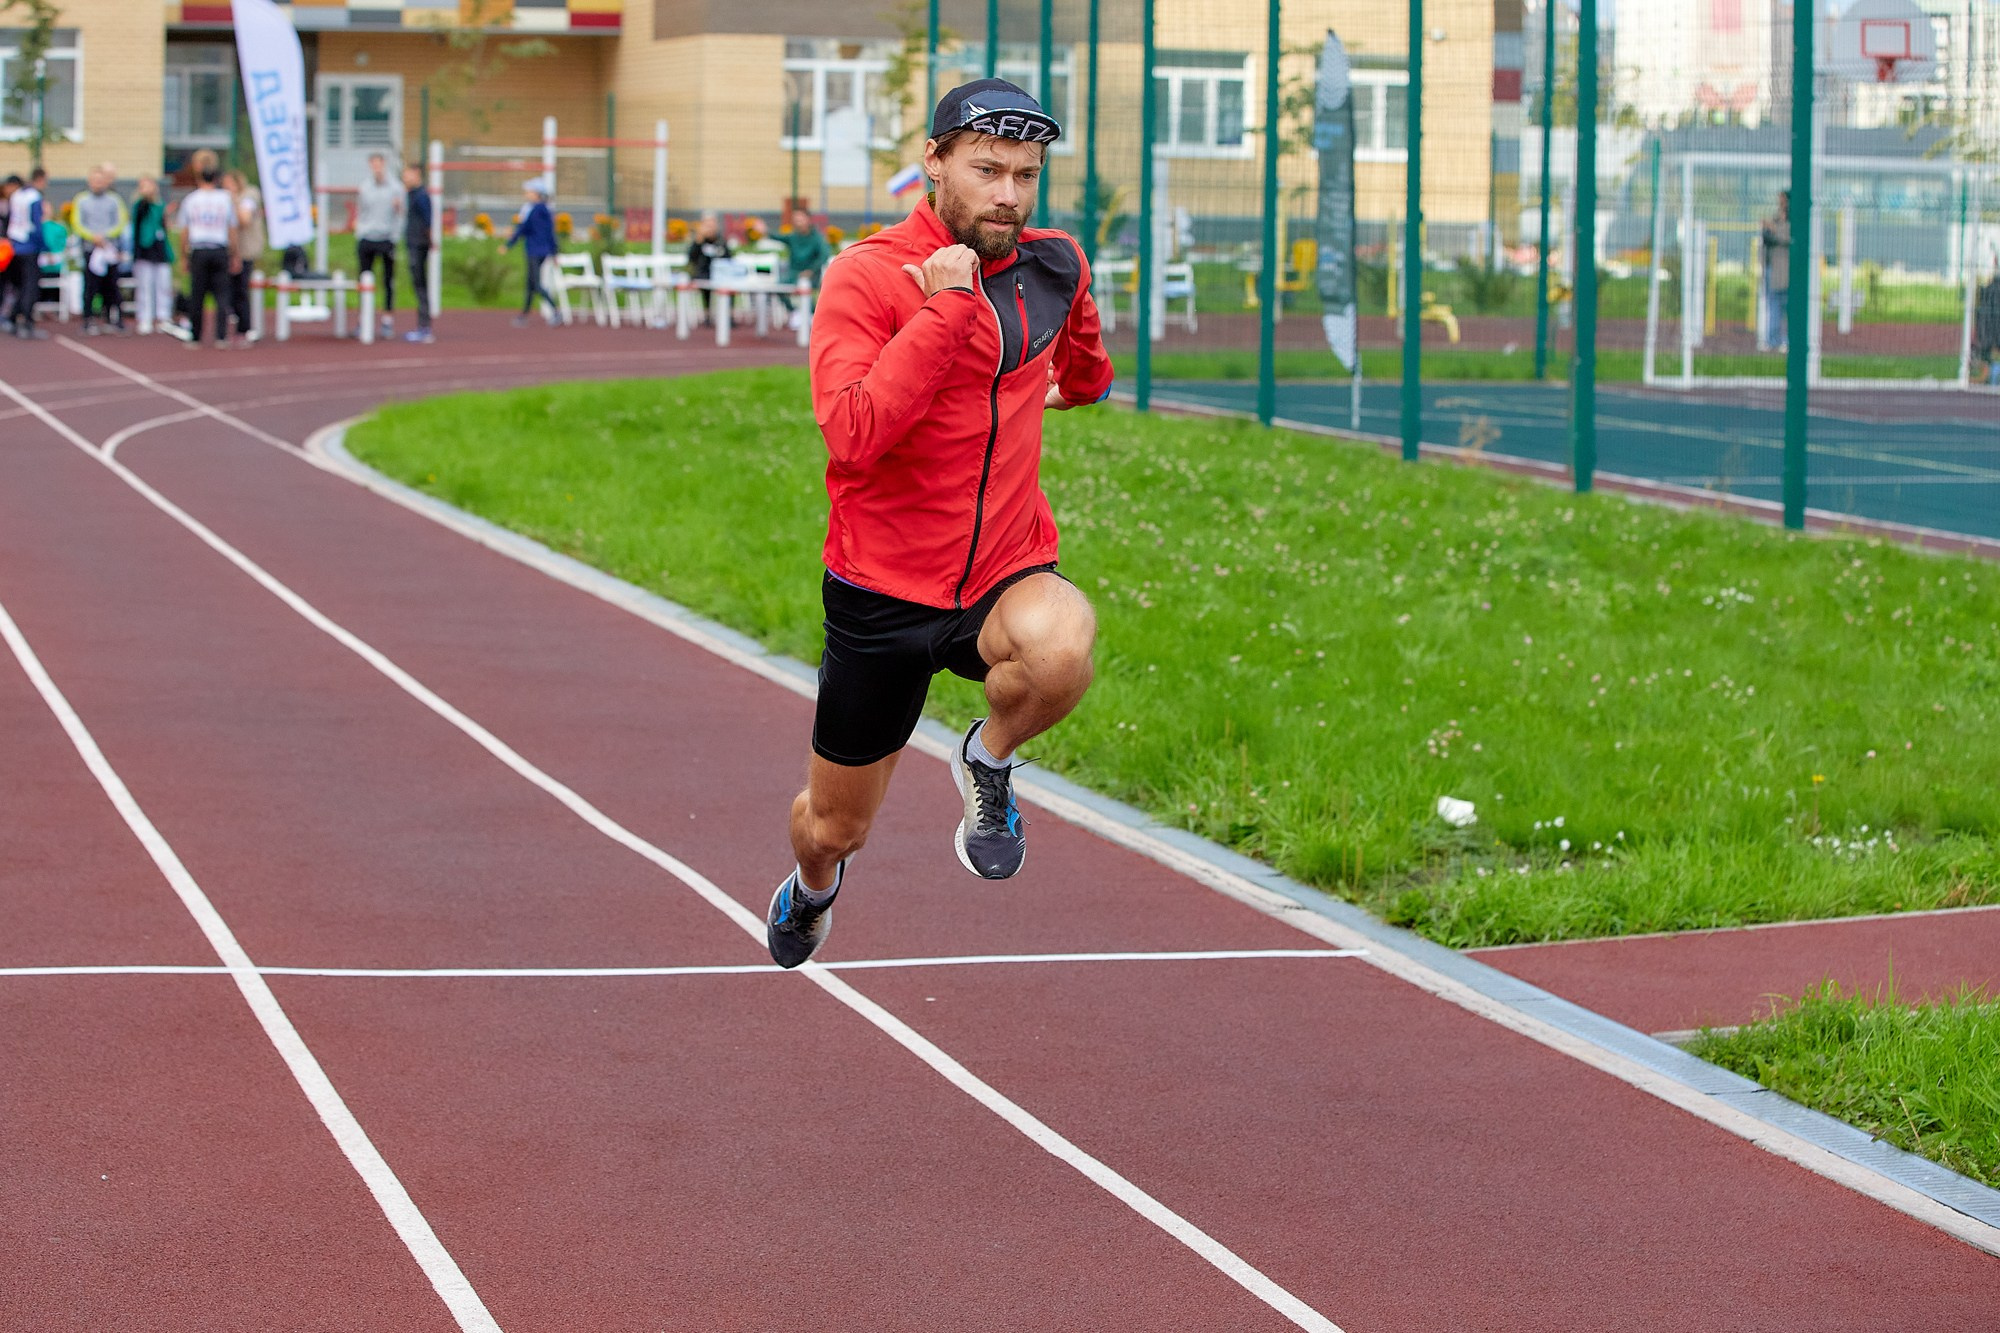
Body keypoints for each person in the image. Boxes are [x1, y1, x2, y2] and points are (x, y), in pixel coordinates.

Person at [764, 79, 1114, 968]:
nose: (1009, 194)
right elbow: (853, 436)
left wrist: (1081, 372)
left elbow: (1083, 371)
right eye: (988, 169)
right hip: (881, 595)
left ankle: (986, 760)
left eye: (1026, 176)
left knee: (1064, 642)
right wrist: (949, 306)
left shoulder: (1054, 263)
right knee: (835, 828)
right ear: (935, 162)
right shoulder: (866, 276)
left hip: (1001, 571)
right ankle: (811, 891)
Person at [176, 155, 239, 348]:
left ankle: (195, 336)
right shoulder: (225, 199)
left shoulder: (191, 199)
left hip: (199, 250)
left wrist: (183, 255)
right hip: (219, 249)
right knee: (222, 294)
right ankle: (221, 336)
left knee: (198, 294)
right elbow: (232, 228)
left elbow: (184, 231)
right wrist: (234, 253)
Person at [72, 163, 130, 335]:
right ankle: (88, 319)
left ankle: (115, 318)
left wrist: (106, 236)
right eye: (94, 180)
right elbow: (77, 223)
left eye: (100, 180)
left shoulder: (114, 200)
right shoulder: (81, 200)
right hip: (91, 248)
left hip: (109, 249)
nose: (97, 184)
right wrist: (92, 237)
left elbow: (120, 221)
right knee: (90, 285)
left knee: (112, 285)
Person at [354, 152, 403, 338]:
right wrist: (360, 232)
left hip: (386, 238)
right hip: (367, 237)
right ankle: (363, 320)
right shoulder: (365, 187)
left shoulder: (395, 188)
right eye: (373, 164)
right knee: (364, 280)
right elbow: (361, 212)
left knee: (387, 281)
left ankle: (387, 320)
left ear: (384, 164)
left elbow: (400, 215)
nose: (376, 168)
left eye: (379, 164)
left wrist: (395, 237)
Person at [505, 178, 559, 325]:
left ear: (537, 193)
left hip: (535, 250)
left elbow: (524, 228)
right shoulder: (545, 210)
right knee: (530, 283)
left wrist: (509, 244)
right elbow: (550, 232)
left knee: (534, 283)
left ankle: (555, 310)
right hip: (540, 250)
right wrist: (554, 252)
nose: (527, 194)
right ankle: (524, 315)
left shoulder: (535, 210)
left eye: (529, 192)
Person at [223, 170, 266, 342]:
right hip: (231, 249)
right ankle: (234, 317)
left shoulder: (250, 195)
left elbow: (244, 219)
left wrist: (232, 201)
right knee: (230, 288)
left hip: (246, 248)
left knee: (241, 287)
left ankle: (245, 326)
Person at [130, 175, 175, 335]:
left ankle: (163, 316)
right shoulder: (140, 206)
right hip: (144, 250)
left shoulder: (160, 205)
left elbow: (164, 226)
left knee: (163, 284)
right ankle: (145, 317)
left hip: (160, 249)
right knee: (145, 285)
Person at [6, 169, 48, 338]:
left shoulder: (16, 195)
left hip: (15, 244)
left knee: (21, 286)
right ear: (40, 179)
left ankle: (13, 318)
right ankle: (27, 322)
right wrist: (44, 246)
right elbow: (36, 225)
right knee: (31, 286)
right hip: (29, 245)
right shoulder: (34, 197)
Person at [779, 205, 831, 330]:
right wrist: (764, 232)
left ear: (808, 219)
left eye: (800, 218)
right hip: (793, 274)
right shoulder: (793, 237)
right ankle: (795, 312)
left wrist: (811, 270)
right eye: (795, 219)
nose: (797, 222)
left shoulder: (817, 238)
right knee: (780, 286)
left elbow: (824, 255)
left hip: (811, 275)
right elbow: (779, 237)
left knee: (805, 287)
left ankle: (812, 313)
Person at [402, 164, 434, 343]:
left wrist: (428, 241)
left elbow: (428, 221)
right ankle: (423, 325)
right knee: (418, 285)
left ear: (417, 174)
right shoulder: (412, 194)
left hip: (418, 244)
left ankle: (425, 326)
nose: (405, 178)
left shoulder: (421, 196)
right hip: (414, 242)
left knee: (421, 284)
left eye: (407, 174)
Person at [1759, 190, 1791, 354]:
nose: (1780, 203)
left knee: (1789, 308)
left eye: (1783, 199)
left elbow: (1788, 239)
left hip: (1787, 271)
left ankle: (1788, 341)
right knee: (1773, 306)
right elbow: (1766, 241)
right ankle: (1772, 340)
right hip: (1773, 270)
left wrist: (1773, 229)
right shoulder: (1776, 218)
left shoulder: (1794, 221)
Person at [686, 210, 731, 320]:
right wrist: (699, 240)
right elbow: (691, 257)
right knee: (704, 284)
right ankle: (707, 313)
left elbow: (728, 258)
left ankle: (729, 315)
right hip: (703, 273)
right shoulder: (699, 241)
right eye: (707, 224)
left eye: (712, 224)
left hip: (721, 274)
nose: (710, 227)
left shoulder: (720, 241)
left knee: (730, 285)